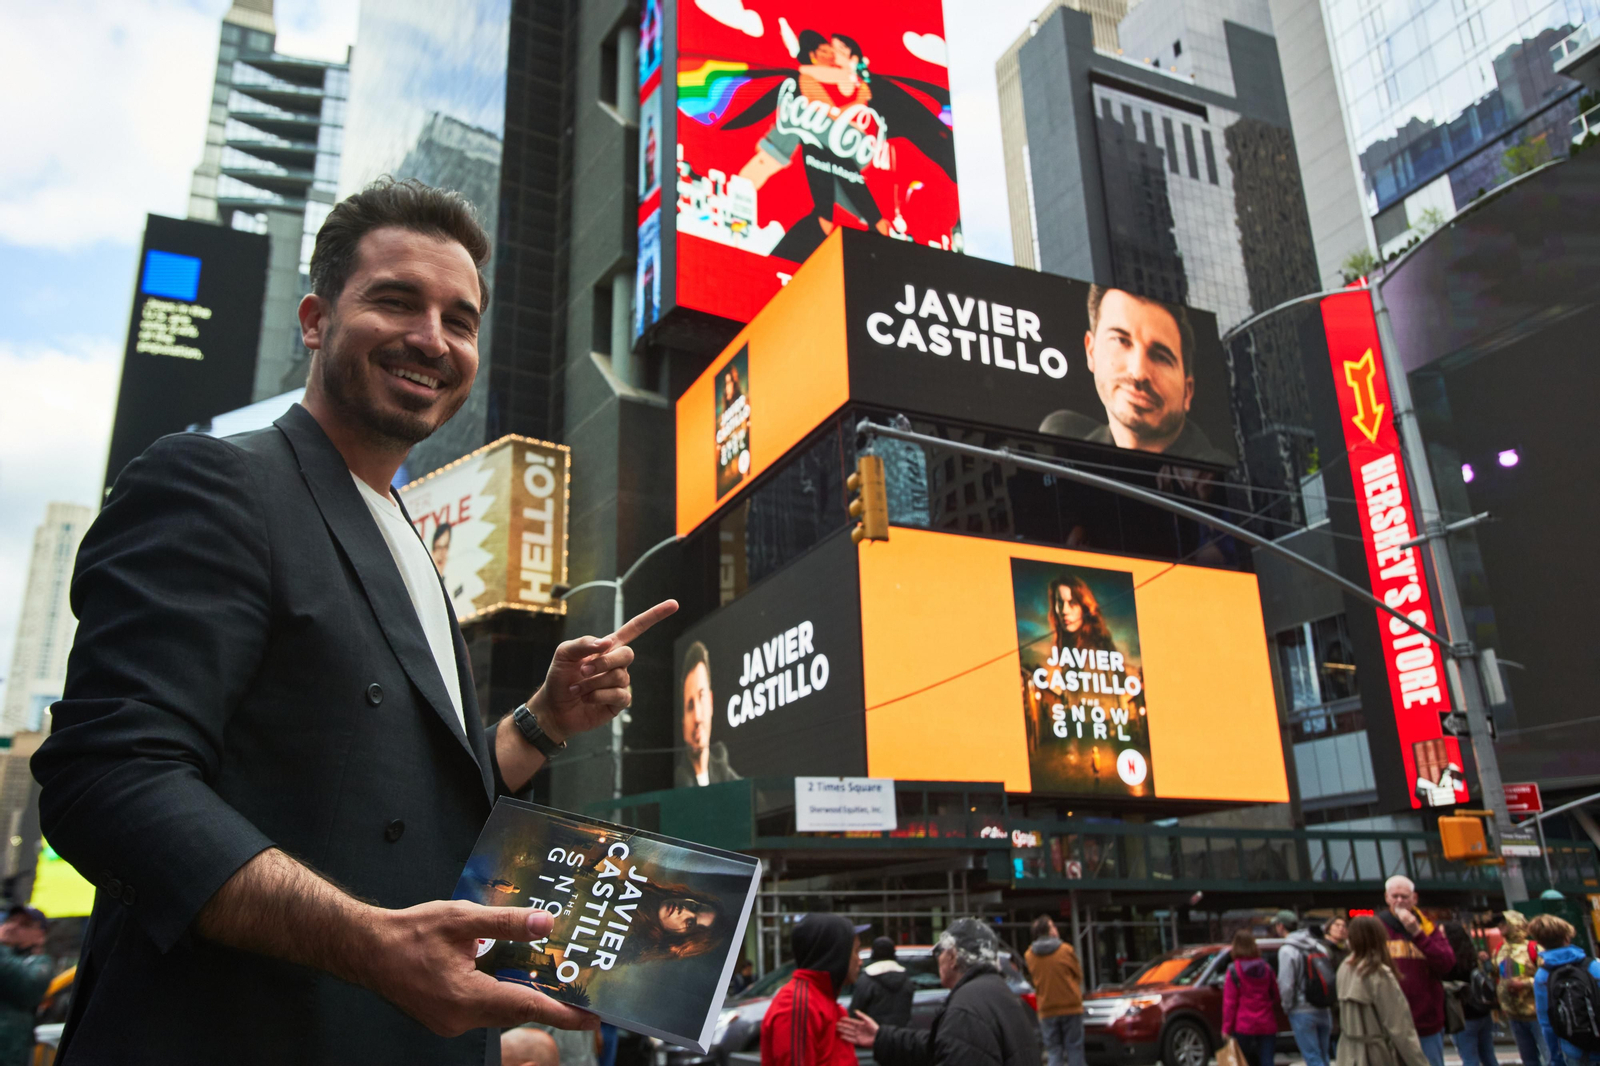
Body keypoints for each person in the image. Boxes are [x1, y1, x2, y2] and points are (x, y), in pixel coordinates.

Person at [30, 177, 679, 1063]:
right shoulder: (215, 482)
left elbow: (421, 806)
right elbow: (109, 776)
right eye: (396, 301)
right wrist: (370, 945)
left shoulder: (412, 543)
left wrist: (545, 720)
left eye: (461, 319)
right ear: (314, 318)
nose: (432, 338)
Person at [1038, 286, 1230, 465]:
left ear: (1187, 393)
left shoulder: (1222, 478)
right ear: (1091, 350)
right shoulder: (1060, 439)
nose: (1138, 373)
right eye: (1121, 341)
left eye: (1161, 358)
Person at [840, 918, 1040, 1066]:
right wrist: (882, 1037)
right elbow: (940, 1045)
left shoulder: (965, 1011)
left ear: (952, 957)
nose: (937, 959)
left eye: (939, 952)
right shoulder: (999, 993)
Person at [761, 914, 864, 1066]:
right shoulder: (798, 1004)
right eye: (855, 952)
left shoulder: (824, 1000)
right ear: (835, 954)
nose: (860, 961)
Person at [1378, 875, 1457, 1066]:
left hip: (1426, 1023)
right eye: (1394, 896)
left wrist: (1417, 933)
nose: (1399, 901)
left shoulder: (1428, 927)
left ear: (1414, 898)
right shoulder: (1377, 927)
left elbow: (1447, 963)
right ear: (1387, 898)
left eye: (1404, 896)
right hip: (1388, 1024)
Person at [1334, 915, 1431, 1066]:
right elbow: (1400, 1028)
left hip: (1348, 1054)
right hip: (1375, 1056)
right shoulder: (1377, 972)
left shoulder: (1345, 967)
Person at [1530, 913, 1600, 1066]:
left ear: (1541, 943)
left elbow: (1547, 1024)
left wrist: (1556, 1060)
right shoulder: (1593, 966)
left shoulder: (1543, 976)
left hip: (1574, 1051)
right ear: (1567, 938)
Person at [676, 642, 740, 786]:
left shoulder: (728, 775)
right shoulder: (679, 782)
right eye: (690, 706)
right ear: (683, 720)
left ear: (710, 702)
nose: (697, 717)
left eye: (702, 697)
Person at [1024, 915, 1085, 1066]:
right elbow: (1078, 975)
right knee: (1074, 1048)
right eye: (1053, 926)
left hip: (1046, 1008)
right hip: (1070, 1006)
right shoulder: (1065, 950)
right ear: (1049, 931)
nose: (1056, 929)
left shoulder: (1029, 955)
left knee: (1053, 1051)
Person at [1277, 910, 1335, 1066]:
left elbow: (1286, 984)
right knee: (1324, 1056)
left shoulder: (1287, 950)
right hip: (1323, 1008)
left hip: (1301, 1009)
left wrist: (1287, 1006)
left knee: (1312, 1057)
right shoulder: (1318, 946)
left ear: (1281, 927)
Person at [0, 905, 53, 1066]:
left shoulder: (40, 964)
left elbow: (27, 988)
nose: (12, 927)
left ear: (40, 936)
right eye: (11, 920)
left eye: (24, 924)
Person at [1443, 920, 1499, 1066]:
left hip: (1462, 1017)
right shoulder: (1474, 957)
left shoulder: (1447, 961)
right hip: (1482, 1012)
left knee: (1469, 1058)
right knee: (1488, 1055)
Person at [1222, 929, 1282, 1066]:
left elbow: (1230, 1003)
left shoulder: (1234, 970)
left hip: (1243, 1025)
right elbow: (1275, 994)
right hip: (1267, 1023)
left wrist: (1226, 1028)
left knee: (1242, 1062)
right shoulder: (1267, 968)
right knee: (1267, 1061)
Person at [1495, 911, 1546, 1066]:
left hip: (1535, 1014)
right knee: (1528, 1059)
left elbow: (1546, 977)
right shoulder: (1500, 949)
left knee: (1549, 1055)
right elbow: (1497, 974)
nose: (1500, 926)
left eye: (1505, 922)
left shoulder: (1534, 948)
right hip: (1513, 1014)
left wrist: (1524, 984)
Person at [852, 937, 914, 1028]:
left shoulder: (866, 980)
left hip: (873, 1037)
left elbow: (855, 1012)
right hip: (900, 1036)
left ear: (873, 953)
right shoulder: (906, 979)